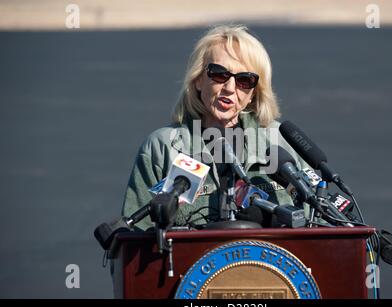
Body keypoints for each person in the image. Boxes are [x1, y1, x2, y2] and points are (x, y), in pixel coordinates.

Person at [121, 24, 310, 231]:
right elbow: (134, 236)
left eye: (244, 80)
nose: (229, 88)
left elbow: (319, 220)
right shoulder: (162, 147)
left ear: (254, 93)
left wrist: (274, 219)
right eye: (219, 74)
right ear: (198, 80)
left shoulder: (281, 142)